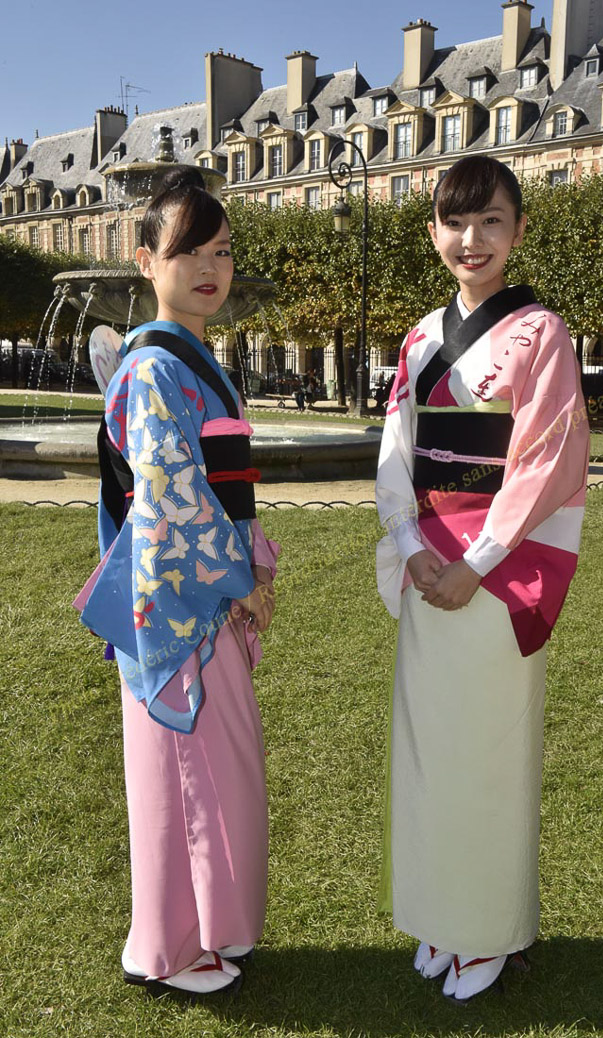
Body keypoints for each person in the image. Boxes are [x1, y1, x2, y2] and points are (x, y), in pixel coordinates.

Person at [375, 155, 589, 1004]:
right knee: (428, 751)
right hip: (429, 559)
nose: (471, 238)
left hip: (496, 569)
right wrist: (407, 539)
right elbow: (397, 446)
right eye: (454, 221)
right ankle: (439, 917)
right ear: (432, 230)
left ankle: (488, 932)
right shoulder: (420, 337)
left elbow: (544, 461)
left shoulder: (541, 333)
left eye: (490, 220)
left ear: (518, 230)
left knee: (488, 753)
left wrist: (475, 563)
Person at [74, 168, 279, 996]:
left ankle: (192, 933)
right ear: (146, 259)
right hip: (178, 599)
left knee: (210, 770)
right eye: (188, 249)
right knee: (188, 772)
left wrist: (253, 563)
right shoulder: (156, 367)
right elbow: (169, 493)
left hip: (202, 586)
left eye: (221, 251)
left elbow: (221, 486)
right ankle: (167, 948)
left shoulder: (188, 363)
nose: (208, 267)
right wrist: (237, 576)